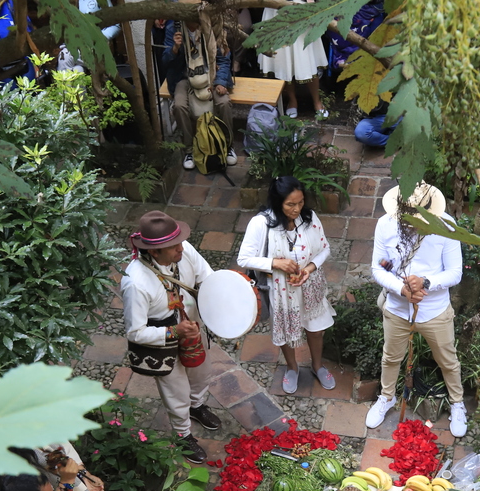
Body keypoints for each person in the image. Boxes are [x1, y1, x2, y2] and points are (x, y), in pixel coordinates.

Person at [366, 182, 469, 438]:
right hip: (397, 309)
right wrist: (402, 290)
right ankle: (387, 397)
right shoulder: (385, 225)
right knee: (390, 357)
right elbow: (378, 268)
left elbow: (455, 272)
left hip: (435, 310)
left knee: (447, 360)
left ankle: (457, 403)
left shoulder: (446, 226)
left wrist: (426, 283)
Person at [121, 210, 222, 465]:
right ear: (154, 252)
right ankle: (182, 434)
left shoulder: (182, 249)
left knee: (202, 372)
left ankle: (197, 406)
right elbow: (135, 331)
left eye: (179, 242)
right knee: (176, 390)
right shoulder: (136, 283)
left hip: (193, 328)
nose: (181, 249)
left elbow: (206, 275)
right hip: (163, 342)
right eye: (172, 247)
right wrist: (174, 332)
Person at [236, 176, 337, 394]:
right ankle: (292, 368)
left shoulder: (309, 218)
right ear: (277, 202)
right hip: (281, 290)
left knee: (316, 330)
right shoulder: (261, 223)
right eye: (290, 204)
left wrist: (308, 270)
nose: (297, 209)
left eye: (300, 202)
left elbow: (325, 249)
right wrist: (275, 263)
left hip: (309, 285)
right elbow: (243, 258)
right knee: (286, 331)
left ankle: (317, 366)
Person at [161, 0, 238, 170]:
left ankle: (228, 145)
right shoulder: (174, 27)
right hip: (184, 77)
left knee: (224, 103)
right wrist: (174, 48)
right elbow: (165, 62)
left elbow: (224, 58)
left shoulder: (211, 24)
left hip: (211, 74)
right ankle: (190, 148)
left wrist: (220, 82)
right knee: (179, 106)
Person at [258, 0, 329, 118]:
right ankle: (292, 101)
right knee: (283, 58)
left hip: (300, 8)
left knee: (307, 57)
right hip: (275, 9)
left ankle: (317, 101)